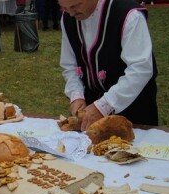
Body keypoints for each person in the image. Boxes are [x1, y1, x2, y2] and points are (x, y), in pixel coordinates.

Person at [59, 0, 158, 130]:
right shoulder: (68, 19)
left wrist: (105, 105)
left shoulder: (128, 15)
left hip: (134, 108)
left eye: (76, 6)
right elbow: (69, 65)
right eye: (64, 8)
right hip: (91, 109)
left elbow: (140, 68)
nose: (71, 13)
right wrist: (76, 95)